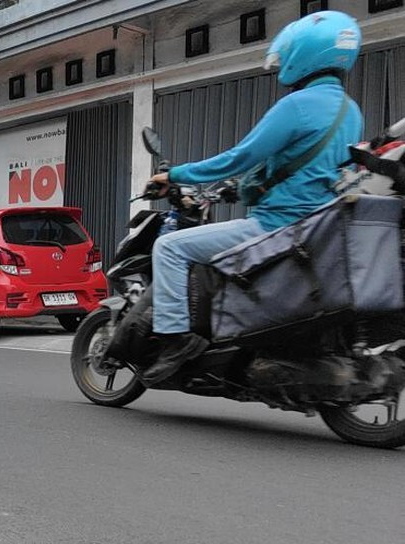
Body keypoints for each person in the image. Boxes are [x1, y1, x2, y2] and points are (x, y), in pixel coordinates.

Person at [143, 10, 363, 384]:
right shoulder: (350, 111)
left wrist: (175, 174)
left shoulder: (297, 105)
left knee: (169, 248)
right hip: (316, 229)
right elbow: (315, 167)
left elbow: (240, 157)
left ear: (304, 55)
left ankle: (175, 340)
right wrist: (243, 187)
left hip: (275, 226)